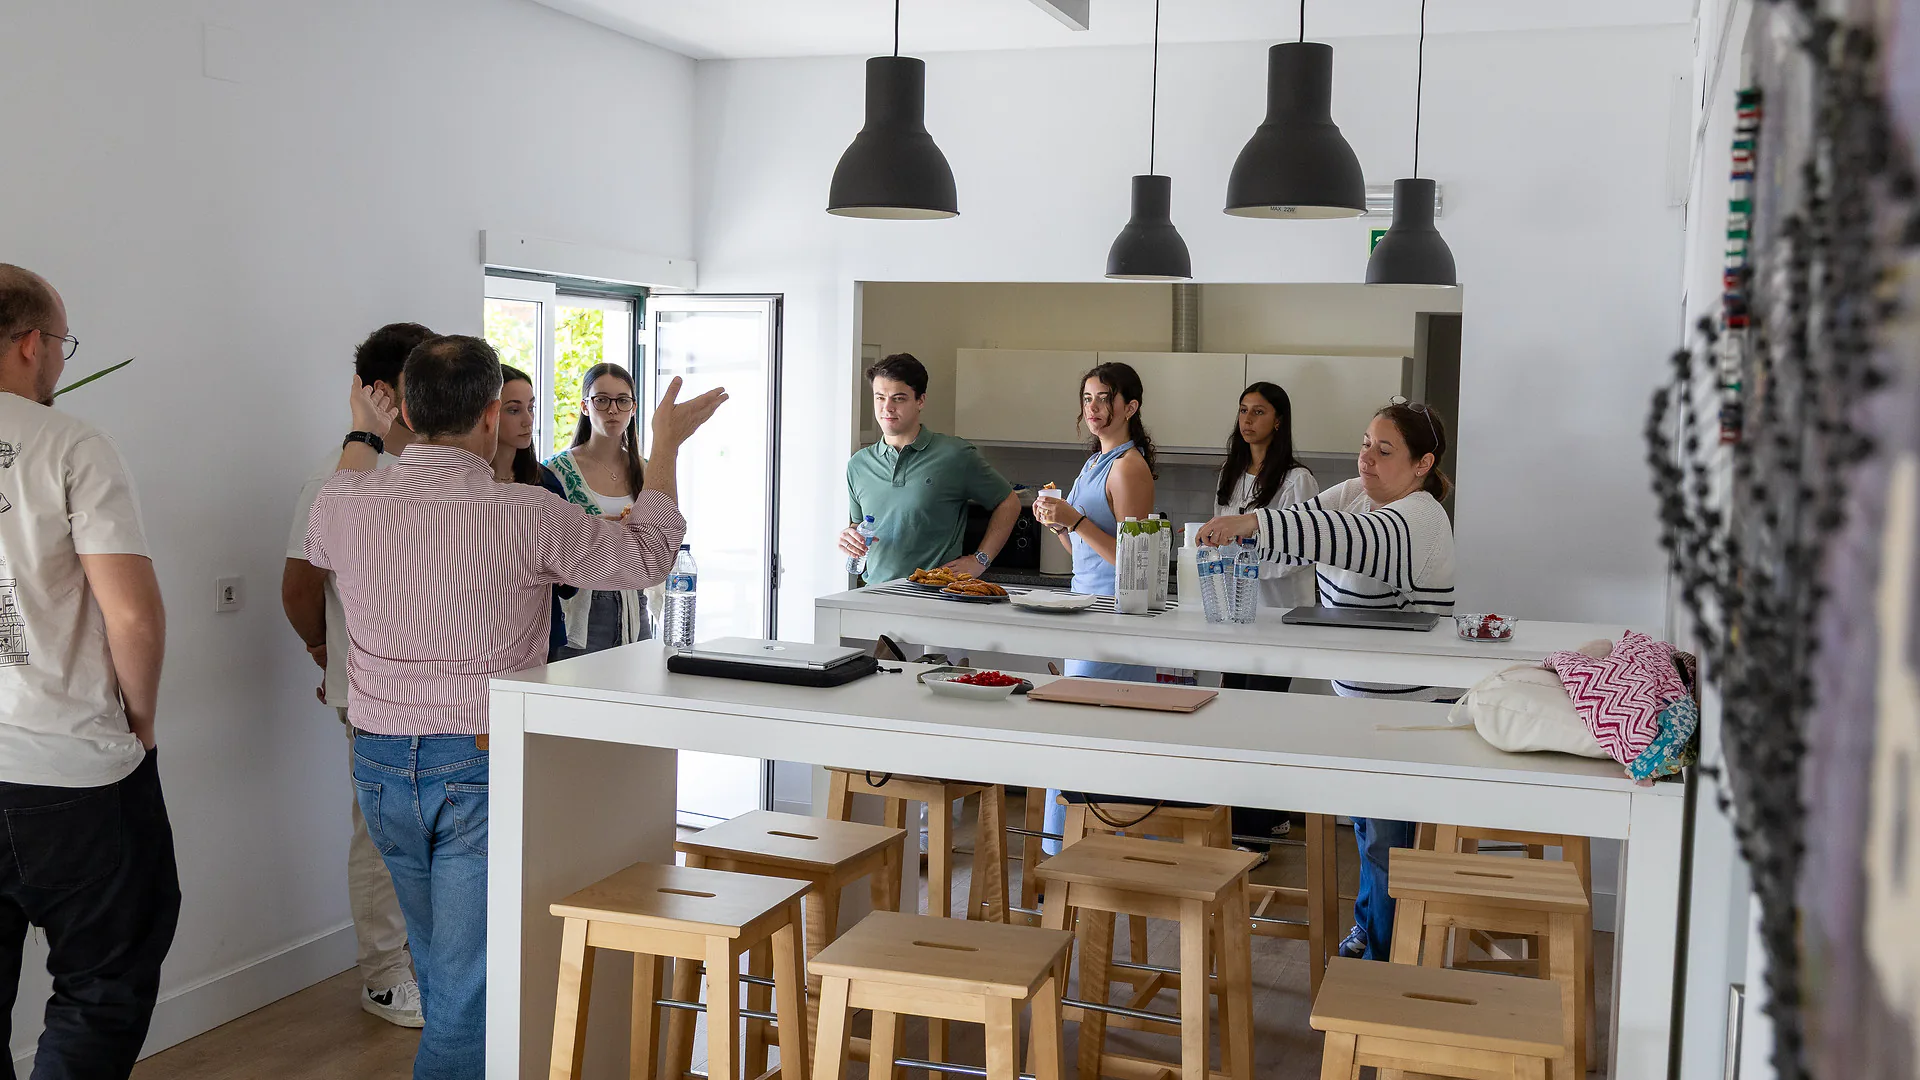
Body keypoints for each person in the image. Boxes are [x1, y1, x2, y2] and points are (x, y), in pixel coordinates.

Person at [305, 336, 724, 1078]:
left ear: (404, 409)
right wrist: (664, 446)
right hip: (475, 758)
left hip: (376, 761)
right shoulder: (526, 513)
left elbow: (338, 502)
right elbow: (649, 555)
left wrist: (361, 429)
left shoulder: (345, 500)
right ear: (494, 416)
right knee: (465, 990)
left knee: (440, 969)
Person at [0, 264, 180, 1076]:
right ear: (31, 343)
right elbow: (132, 613)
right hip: (67, 770)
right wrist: (139, 720)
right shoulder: (70, 443)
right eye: (62, 346)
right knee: (104, 981)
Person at [1199, 400, 1457, 961]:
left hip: (1401, 719)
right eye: (1365, 443)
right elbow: (1307, 526)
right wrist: (1251, 535)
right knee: (1369, 837)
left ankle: (1385, 968)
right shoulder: (1355, 493)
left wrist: (1253, 521)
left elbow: (1345, 539)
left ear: (1421, 464)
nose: (1367, 456)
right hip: (1354, 709)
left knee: (1388, 844)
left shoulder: (1421, 518)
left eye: (1384, 450)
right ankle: (1370, 930)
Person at [281, 322, 429, 1026]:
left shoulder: (437, 471)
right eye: (415, 380)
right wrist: (326, 655)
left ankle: (418, 964)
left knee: (427, 836)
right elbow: (299, 590)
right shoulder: (340, 478)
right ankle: (383, 977)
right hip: (372, 696)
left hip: (438, 692)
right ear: (378, 393)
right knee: (382, 838)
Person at [1029, 362, 1158, 853]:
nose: (1094, 409)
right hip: (1087, 610)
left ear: (1130, 406)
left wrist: (1075, 519)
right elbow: (1082, 550)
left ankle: (1092, 850)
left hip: (1114, 616)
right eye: (1087, 399)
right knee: (1079, 732)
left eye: (1105, 399)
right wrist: (1060, 525)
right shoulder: (1094, 461)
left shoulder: (1129, 466)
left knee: (1090, 733)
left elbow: (1133, 560)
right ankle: (1076, 851)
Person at [1212, 382, 1321, 857]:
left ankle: (1251, 834)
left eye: (1259, 411)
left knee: (1260, 719)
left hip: (1280, 614)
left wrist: (1247, 557)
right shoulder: (1231, 473)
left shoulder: (1297, 479)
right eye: (1242, 410)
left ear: (1279, 420)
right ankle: (1264, 819)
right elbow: (1220, 530)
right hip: (1238, 612)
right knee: (1232, 710)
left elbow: (1300, 547)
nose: (1248, 419)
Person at [840, 353, 1021, 586]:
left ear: (920, 401)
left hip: (936, 596)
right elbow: (859, 525)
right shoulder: (858, 464)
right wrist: (850, 536)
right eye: (880, 397)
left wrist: (980, 560)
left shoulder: (955, 454)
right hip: (875, 594)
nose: (887, 408)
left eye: (899, 398)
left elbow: (1009, 502)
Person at [545, 363, 657, 659]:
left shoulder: (645, 470)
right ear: (585, 406)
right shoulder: (556, 469)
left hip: (634, 603)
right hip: (579, 608)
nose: (613, 410)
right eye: (602, 400)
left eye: (623, 400)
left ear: (633, 409)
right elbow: (545, 539)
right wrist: (593, 527)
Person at [489, 364, 574, 661]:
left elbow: (568, 584)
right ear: (488, 413)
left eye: (531, 407)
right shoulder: (467, 485)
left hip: (542, 637)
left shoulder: (545, 482)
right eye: (514, 410)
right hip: (484, 636)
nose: (528, 420)